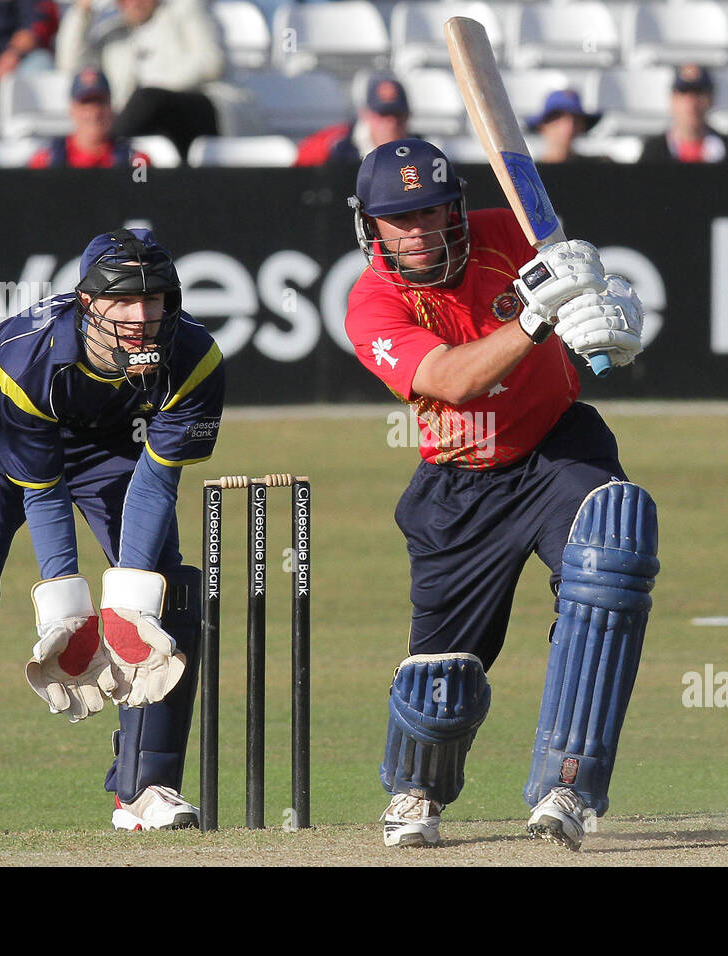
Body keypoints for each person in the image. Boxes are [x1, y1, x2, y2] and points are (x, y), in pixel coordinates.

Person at [344, 139, 658, 851]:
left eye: (432, 211)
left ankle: (568, 782)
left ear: (457, 207)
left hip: (556, 446)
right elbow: (455, 381)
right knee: (443, 680)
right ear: (371, 226)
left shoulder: (509, 232)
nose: (420, 230)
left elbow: (577, 274)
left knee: (613, 547)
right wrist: (534, 318)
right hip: (461, 482)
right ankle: (416, 786)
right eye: (401, 219)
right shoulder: (371, 303)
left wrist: (603, 305)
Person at [0, 228, 226, 836]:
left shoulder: (195, 359)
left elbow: (157, 482)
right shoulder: (27, 358)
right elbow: (43, 489)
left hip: (111, 440)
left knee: (162, 587)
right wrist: (66, 609)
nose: (141, 318)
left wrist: (127, 607)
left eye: (154, 300)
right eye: (123, 301)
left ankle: (145, 790)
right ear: (87, 303)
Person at [56, 0, 226, 159]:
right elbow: (72, 66)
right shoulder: (112, 33)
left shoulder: (185, 11)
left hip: (197, 110)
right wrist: (82, 11)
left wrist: (153, 91)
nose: (134, 3)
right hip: (141, 122)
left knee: (147, 100)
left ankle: (102, 155)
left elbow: (211, 62)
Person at [28, 69, 151, 169]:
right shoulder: (46, 161)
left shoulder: (137, 162)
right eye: (85, 103)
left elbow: (143, 195)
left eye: (100, 103)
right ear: (72, 110)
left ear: (111, 107)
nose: (94, 112)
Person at [294, 73, 411, 166]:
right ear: (365, 114)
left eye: (397, 114)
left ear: (407, 116)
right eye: (382, 114)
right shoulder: (335, 150)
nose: (391, 122)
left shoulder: (421, 156)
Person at [640, 64, 728, 164]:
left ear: (711, 99)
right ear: (672, 100)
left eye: (699, 93)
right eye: (683, 93)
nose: (691, 102)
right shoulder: (652, 154)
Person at [525, 89, 601, 163]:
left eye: (576, 120)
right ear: (541, 125)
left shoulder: (599, 168)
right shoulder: (527, 172)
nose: (569, 126)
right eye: (557, 118)